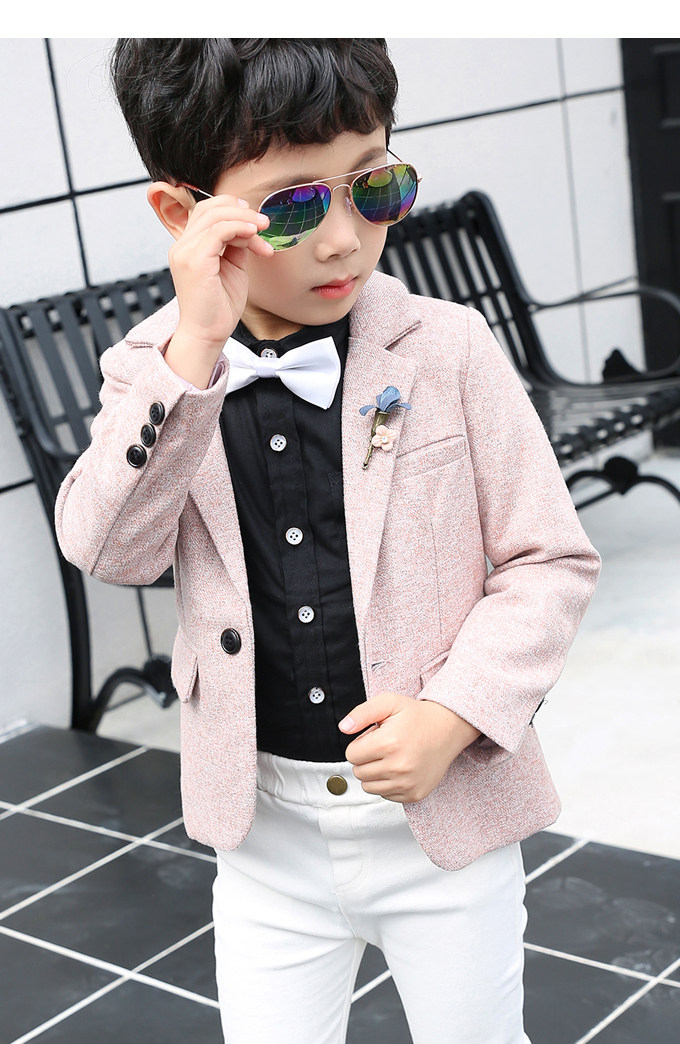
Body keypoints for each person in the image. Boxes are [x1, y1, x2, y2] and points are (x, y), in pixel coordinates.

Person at [54, 38, 602, 1044]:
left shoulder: (447, 348)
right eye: (294, 208)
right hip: (265, 836)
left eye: (374, 186)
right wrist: (192, 355)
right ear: (183, 214)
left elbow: (549, 560)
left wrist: (454, 714)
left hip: (443, 813)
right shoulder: (151, 370)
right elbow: (111, 551)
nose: (346, 241)